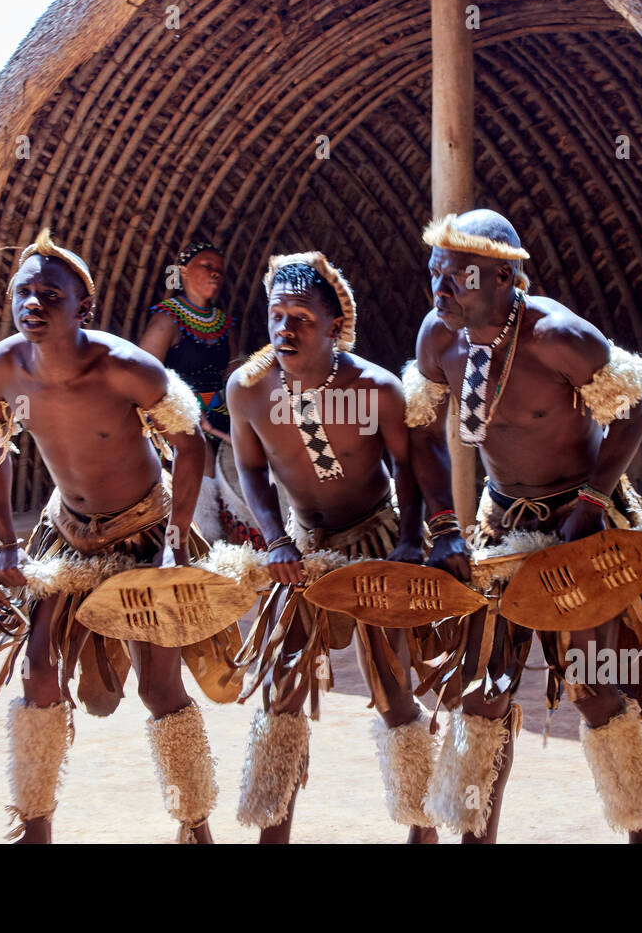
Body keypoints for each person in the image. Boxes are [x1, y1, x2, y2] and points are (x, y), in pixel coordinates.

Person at [405, 210, 642, 843]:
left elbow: (633, 407)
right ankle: (473, 832)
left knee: (594, 687)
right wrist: (443, 522)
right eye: (436, 275)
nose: (441, 291)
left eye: (458, 277)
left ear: (506, 278)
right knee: (486, 692)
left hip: (581, 523)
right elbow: (422, 425)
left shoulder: (558, 335)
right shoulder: (439, 337)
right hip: (498, 522)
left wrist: (592, 504)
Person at [0, 229, 239, 843]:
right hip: (65, 533)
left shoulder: (124, 367)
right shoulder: (2, 369)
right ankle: (35, 823)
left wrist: (176, 538)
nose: (33, 303)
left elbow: (189, 445)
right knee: (37, 670)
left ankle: (195, 822)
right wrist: (4, 539)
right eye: (23, 293)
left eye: (49, 294)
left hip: (143, 528)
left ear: (81, 307)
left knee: (159, 685)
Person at [223, 252, 439, 843]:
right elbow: (251, 471)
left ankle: (422, 827)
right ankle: (273, 830)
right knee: (282, 686)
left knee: (394, 691)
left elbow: (410, 467)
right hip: (302, 547)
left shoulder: (373, 388)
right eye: (277, 315)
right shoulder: (248, 388)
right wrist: (273, 540)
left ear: (335, 327)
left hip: (373, 536)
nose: (285, 329)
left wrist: (409, 542)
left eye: (301, 318)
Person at [139, 242, 233, 541]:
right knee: (199, 451)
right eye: (207, 265)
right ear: (182, 271)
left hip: (221, 411)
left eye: (219, 269)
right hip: (178, 414)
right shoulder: (167, 318)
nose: (215, 273)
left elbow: (232, 372)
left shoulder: (225, 323)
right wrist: (185, 412)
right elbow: (144, 375)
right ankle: (204, 540)